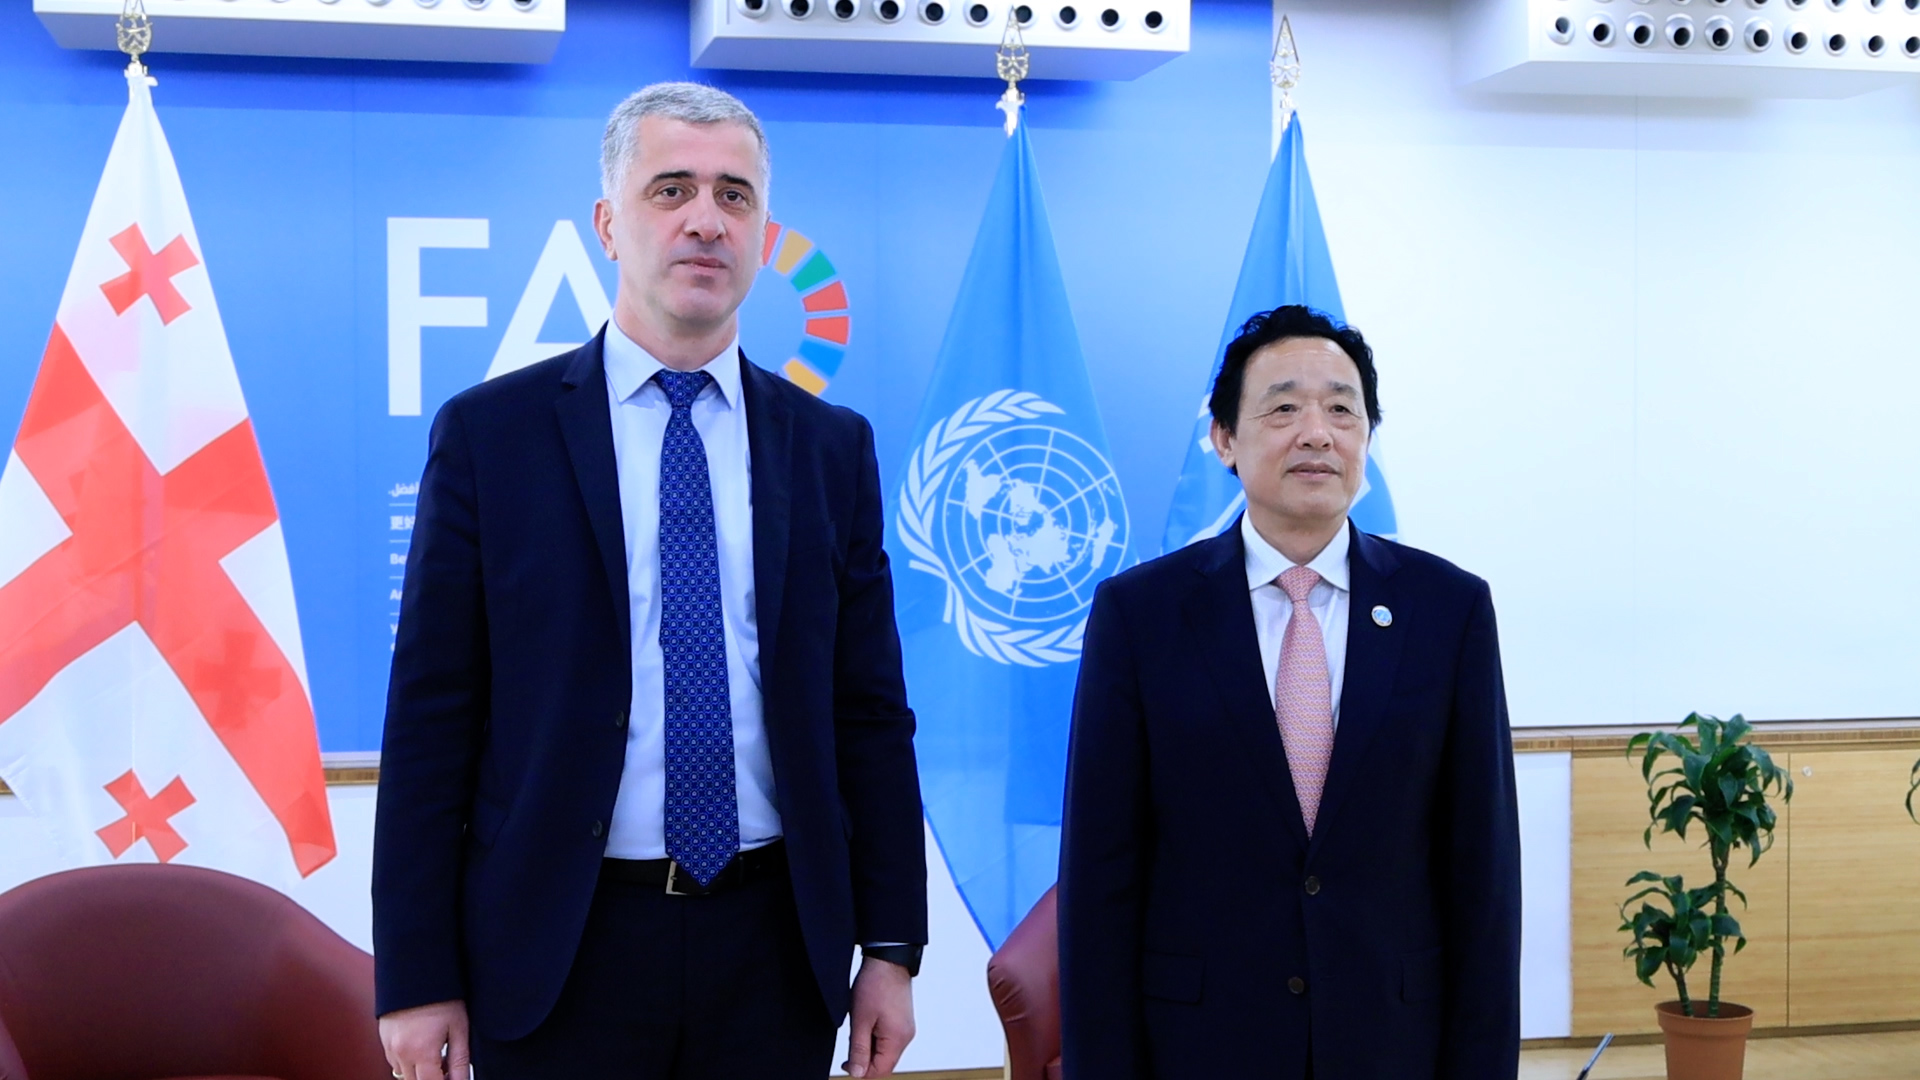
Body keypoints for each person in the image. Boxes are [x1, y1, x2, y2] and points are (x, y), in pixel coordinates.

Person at [371, 82, 927, 1080]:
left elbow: (870, 715)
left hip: (775, 951)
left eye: (734, 195)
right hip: (558, 949)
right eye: (672, 189)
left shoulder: (829, 449)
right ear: (607, 225)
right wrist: (416, 975)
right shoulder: (492, 437)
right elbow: (431, 718)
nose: (706, 219)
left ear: (763, 231)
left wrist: (890, 948)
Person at [1058, 305, 1520, 1079]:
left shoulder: (1449, 610)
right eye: (1283, 409)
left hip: (1392, 1044)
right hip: (1201, 1047)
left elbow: (1483, 874)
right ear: (1224, 439)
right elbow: (1101, 876)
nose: (1317, 433)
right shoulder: (1141, 615)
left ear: (1367, 436)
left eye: (1342, 410)